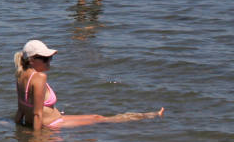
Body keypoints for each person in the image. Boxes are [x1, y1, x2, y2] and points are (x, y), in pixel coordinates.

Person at [14, 39, 163, 131]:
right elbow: (37, 114)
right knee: (99, 119)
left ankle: (146, 116)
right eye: (45, 59)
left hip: (51, 121)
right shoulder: (40, 78)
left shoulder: (21, 75)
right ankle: (148, 116)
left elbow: (21, 109)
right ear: (32, 60)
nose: (49, 61)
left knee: (97, 118)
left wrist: (18, 129)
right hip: (52, 124)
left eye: (50, 58)